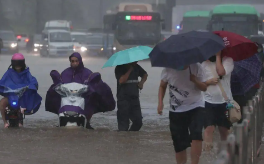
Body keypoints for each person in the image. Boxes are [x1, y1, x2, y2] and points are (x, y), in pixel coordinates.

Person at [45, 52, 115, 129]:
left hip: (84, 99)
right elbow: (60, 83)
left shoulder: (87, 73)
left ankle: (87, 121)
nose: (74, 63)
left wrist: (91, 88)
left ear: (80, 61)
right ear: (70, 62)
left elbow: (94, 83)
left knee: (92, 100)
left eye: (76, 61)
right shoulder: (65, 73)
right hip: (67, 98)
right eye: (72, 61)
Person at [157, 64, 207, 164]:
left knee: (196, 134)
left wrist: (194, 80)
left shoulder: (196, 67)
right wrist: (160, 103)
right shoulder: (168, 69)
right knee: (179, 143)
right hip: (176, 110)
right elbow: (162, 86)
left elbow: (204, 88)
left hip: (196, 106)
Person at [201, 52, 234, 151]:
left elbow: (221, 72)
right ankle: (208, 155)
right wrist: (208, 82)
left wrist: (218, 56)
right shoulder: (203, 64)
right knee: (208, 129)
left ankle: (226, 155)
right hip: (208, 101)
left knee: (224, 130)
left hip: (225, 102)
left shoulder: (228, 60)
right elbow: (198, 84)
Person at [0, 53, 42, 128]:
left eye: (19, 63)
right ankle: (5, 122)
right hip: (10, 96)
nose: (17, 66)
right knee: (2, 103)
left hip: (22, 97)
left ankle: (20, 120)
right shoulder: (9, 73)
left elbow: (32, 81)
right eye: (16, 63)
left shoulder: (26, 73)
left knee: (24, 104)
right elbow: (2, 82)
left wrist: (31, 87)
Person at [115, 62, 148, 131]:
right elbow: (122, 80)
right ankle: (123, 139)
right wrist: (129, 70)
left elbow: (145, 74)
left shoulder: (136, 66)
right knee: (123, 126)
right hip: (123, 99)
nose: (137, 61)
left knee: (138, 122)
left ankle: (131, 139)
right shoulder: (119, 67)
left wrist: (141, 83)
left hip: (134, 98)